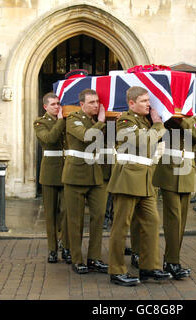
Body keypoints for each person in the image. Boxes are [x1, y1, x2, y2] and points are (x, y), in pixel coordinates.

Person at [107, 86, 172, 286]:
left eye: (148, 100)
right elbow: (142, 142)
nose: (148, 104)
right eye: (144, 101)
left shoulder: (144, 121)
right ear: (132, 103)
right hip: (127, 178)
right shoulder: (125, 120)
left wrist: (155, 124)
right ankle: (116, 270)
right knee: (121, 226)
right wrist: (159, 124)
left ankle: (149, 266)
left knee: (152, 223)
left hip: (145, 179)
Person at [153, 114, 196, 279]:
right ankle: (172, 261)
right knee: (173, 219)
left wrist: (185, 121)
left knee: (181, 221)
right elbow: (155, 137)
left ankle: (172, 260)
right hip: (169, 172)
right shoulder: (166, 115)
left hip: (186, 173)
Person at [62, 89, 108, 274]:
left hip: (96, 175)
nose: (96, 105)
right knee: (75, 220)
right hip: (76, 175)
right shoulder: (74, 118)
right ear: (82, 104)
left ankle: (94, 257)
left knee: (99, 216)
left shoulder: (95, 121)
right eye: (91, 102)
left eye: (97, 102)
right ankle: (77, 259)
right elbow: (86, 136)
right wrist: (102, 122)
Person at [33, 92, 71, 264]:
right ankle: (52, 249)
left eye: (58, 104)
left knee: (66, 212)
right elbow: (50, 139)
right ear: (45, 107)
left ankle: (66, 246)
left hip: (66, 172)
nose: (57, 107)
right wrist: (61, 121)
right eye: (53, 104)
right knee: (50, 214)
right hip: (49, 174)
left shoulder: (67, 120)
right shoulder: (40, 122)